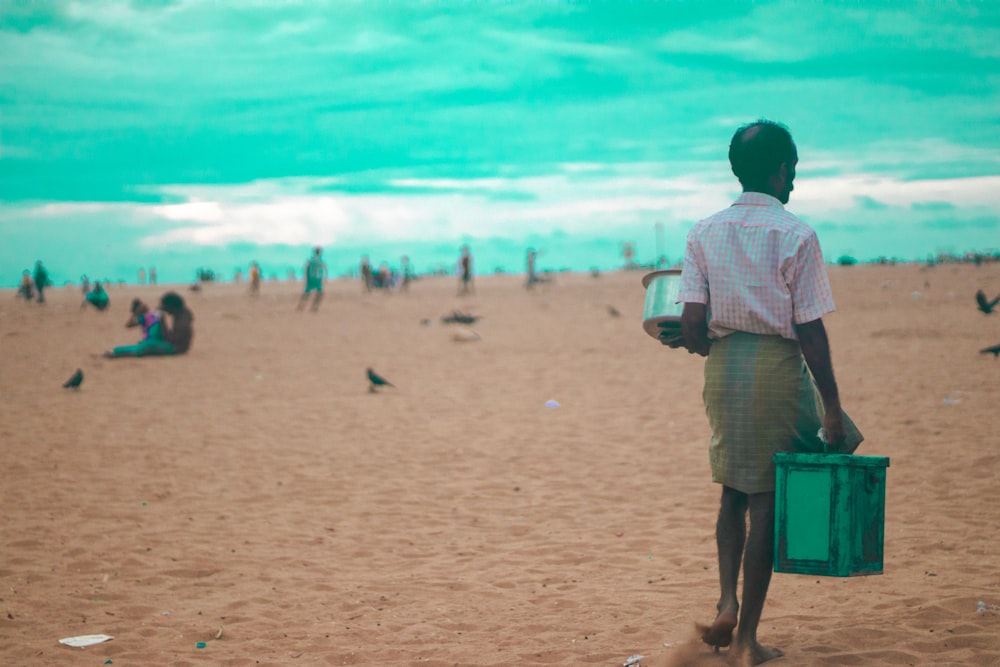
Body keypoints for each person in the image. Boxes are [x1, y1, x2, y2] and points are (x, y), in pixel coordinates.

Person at [669, 119, 860, 665]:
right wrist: (833, 408)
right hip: (777, 367)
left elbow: (692, 325)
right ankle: (748, 638)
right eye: (792, 170)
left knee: (732, 487)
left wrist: (698, 343)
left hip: (723, 368)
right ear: (781, 171)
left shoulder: (703, 231)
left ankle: (726, 600)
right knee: (766, 499)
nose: (793, 182)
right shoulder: (796, 234)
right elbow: (810, 331)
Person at [105, 292, 193, 357]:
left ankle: (116, 352)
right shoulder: (182, 314)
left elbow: (170, 340)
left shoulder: (182, 322)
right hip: (177, 346)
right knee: (146, 344)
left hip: (176, 349)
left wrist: (162, 320)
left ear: (172, 307)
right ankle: (116, 351)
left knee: (147, 346)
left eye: (166, 307)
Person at [298, 246, 327, 311]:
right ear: (320, 253)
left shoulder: (310, 260)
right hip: (317, 279)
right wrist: (322, 279)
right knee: (319, 293)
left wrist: (306, 278)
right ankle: (314, 307)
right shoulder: (320, 261)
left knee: (307, 293)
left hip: (310, 279)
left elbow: (305, 269)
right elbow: (321, 271)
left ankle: (301, 306)